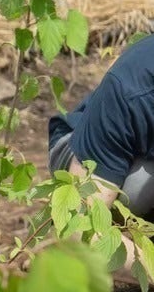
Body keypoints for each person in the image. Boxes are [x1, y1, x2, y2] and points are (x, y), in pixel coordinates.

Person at [48, 34, 154, 226]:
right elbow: (80, 230)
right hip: (83, 149)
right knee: (136, 190)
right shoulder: (132, 90)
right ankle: (124, 233)